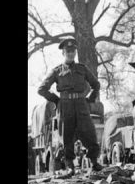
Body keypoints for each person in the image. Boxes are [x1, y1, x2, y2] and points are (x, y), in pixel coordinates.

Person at [37, 38, 103, 175]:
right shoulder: (57, 71)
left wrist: (90, 98)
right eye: (68, 51)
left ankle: (94, 162)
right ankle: (70, 167)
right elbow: (42, 89)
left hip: (81, 106)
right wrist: (56, 100)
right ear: (63, 53)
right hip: (65, 107)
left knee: (89, 133)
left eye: (73, 51)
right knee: (67, 137)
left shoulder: (82, 69)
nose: (71, 54)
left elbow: (96, 84)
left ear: (75, 52)